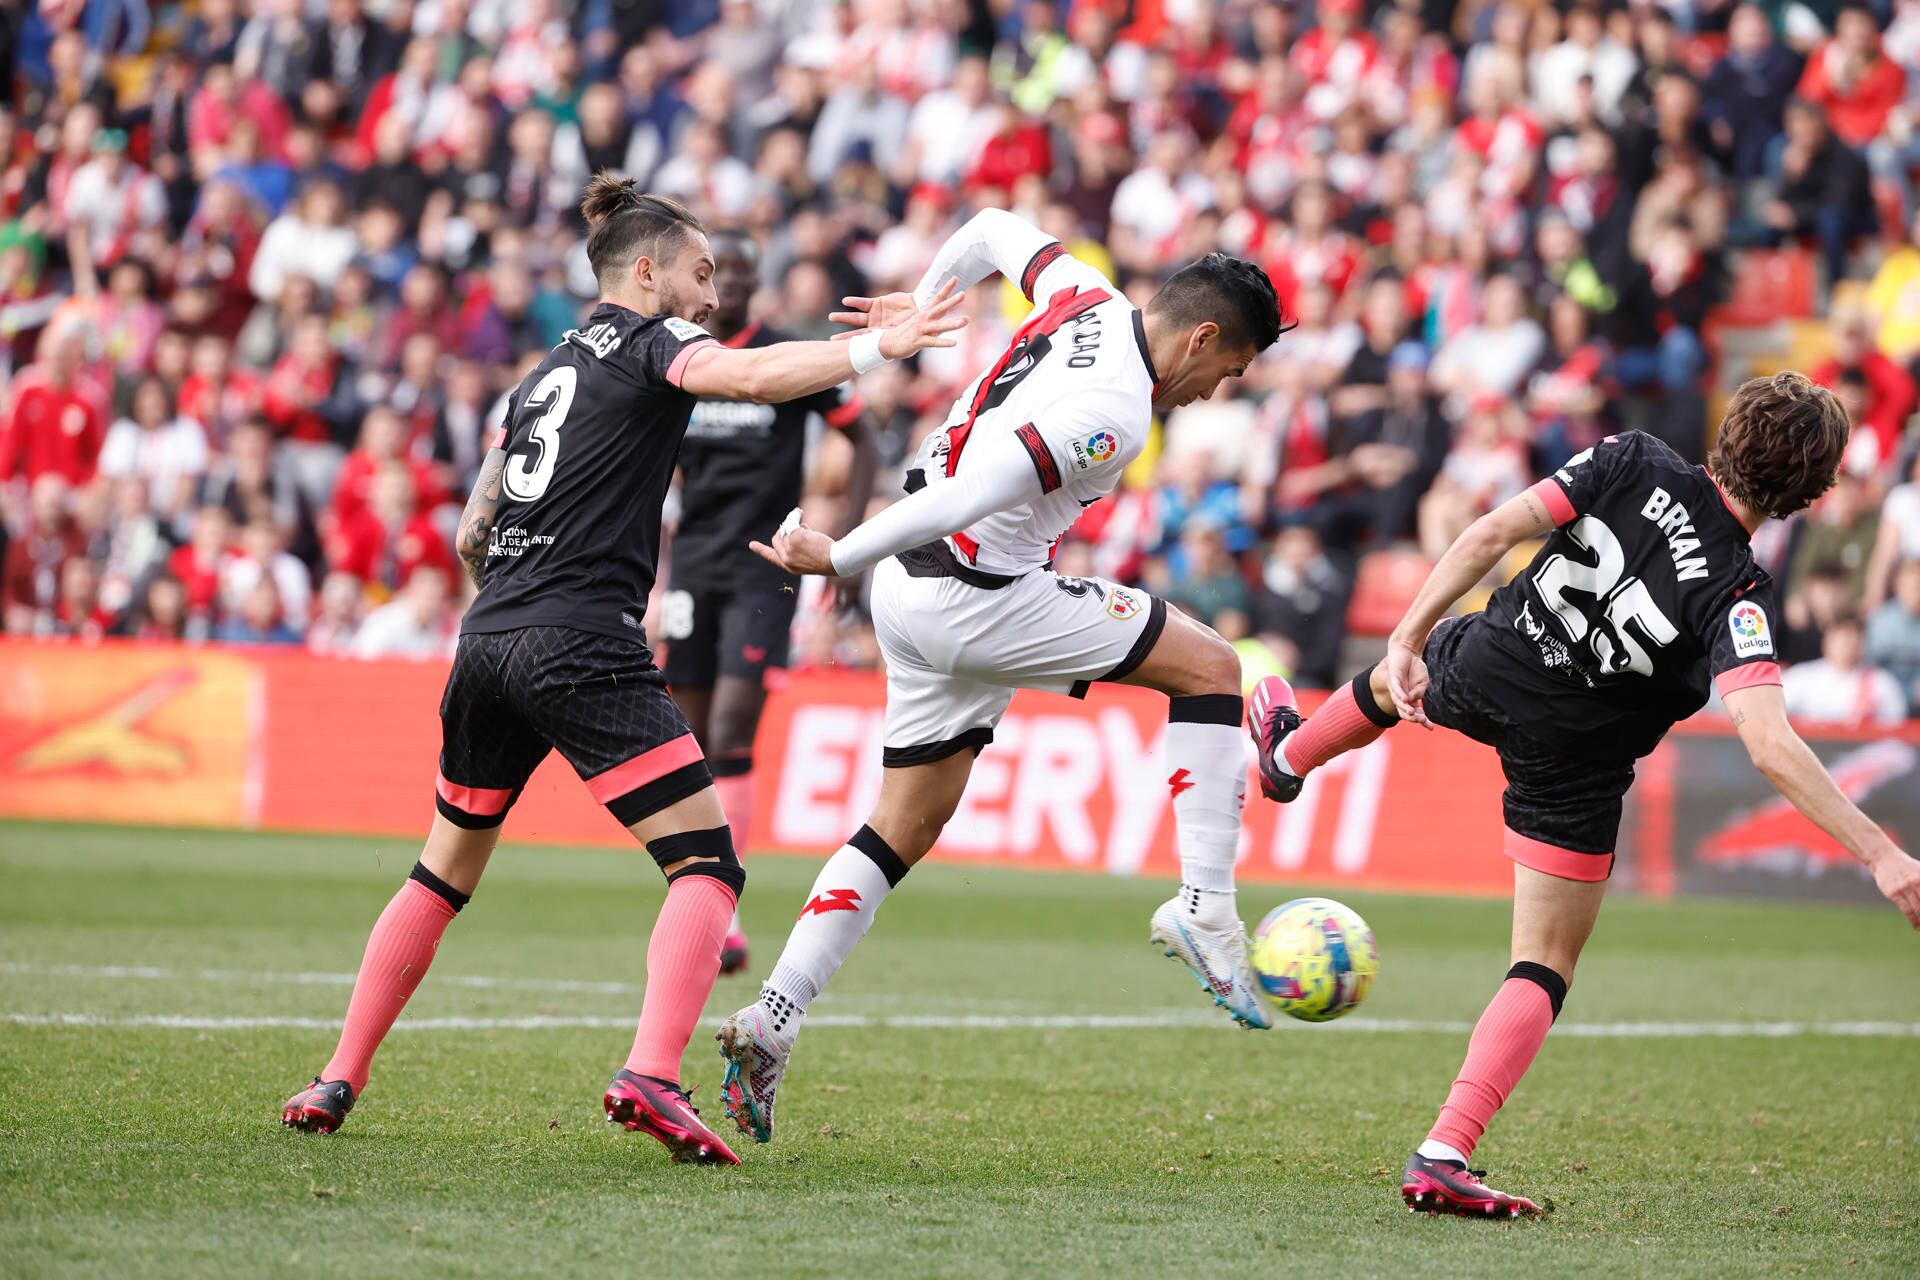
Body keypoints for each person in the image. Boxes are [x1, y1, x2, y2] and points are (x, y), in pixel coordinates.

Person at [278, 177, 966, 1165]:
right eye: (698, 273)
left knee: (442, 865)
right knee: (709, 863)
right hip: (579, 636)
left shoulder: (538, 376)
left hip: (487, 637)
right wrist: (876, 347)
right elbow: (756, 378)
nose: (711, 296)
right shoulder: (651, 345)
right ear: (643, 273)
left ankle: (338, 1072)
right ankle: (650, 1069)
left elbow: (476, 528)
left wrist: (519, 596)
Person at [1241, 373, 1920, 1217]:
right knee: (1543, 962)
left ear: (1730, 428)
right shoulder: (1738, 594)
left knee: (1398, 683)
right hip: (1576, 760)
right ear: (1811, 494)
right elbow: (1771, 745)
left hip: (1499, 659)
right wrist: (1883, 854)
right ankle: (1443, 1151)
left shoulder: (1634, 458)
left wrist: (1408, 635)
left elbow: (1494, 529)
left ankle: (1288, 759)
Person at [716, 208, 1288, 1147]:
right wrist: (838, 555)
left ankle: (773, 1019)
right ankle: (1207, 909)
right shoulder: (1113, 415)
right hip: (967, 591)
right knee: (1213, 667)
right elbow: (975, 492)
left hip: (913, 590)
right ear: (1203, 336)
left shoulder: (1083, 295)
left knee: (906, 822)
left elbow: (987, 227)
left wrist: (929, 301)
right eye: (1226, 372)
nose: (1213, 393)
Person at [663, 229, 880, 976]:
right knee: (687, 738)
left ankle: (720, 909)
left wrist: (846, 541)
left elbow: (868, 440)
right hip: (692, 565)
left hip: (765, 566)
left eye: (751, 269)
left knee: (730, 728)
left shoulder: (786, 358)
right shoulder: (679, 358)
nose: (739, 281)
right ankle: (694, 890)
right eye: (727, 269)